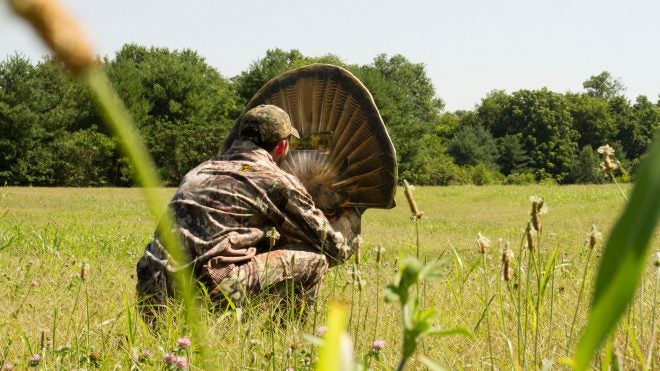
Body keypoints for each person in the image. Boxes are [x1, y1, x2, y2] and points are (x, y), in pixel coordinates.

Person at [136, 104, 349, 319]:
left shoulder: (200, 170)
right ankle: (285, 341)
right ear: (282, 146)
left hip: (151, 293)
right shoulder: (275, 180)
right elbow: (330, 246)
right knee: (316, 261)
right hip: (204, 299)